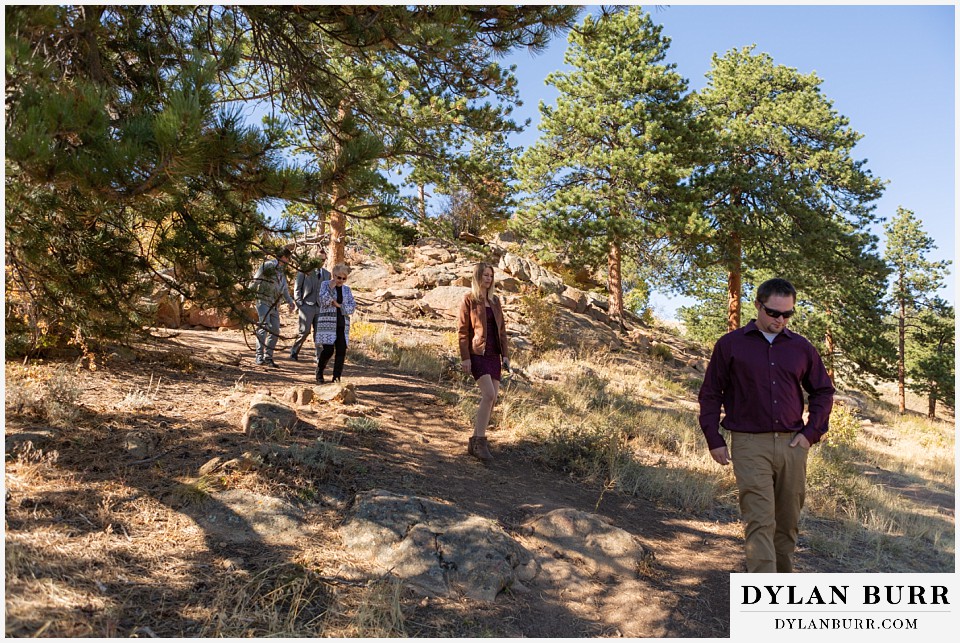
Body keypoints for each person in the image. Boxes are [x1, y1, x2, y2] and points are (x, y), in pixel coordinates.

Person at [698, 277, 834, 573]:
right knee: (760, 520)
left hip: (793, 445)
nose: (781, 320)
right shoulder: (730, 345)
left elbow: (823, 391)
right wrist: (714, 438)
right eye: (774, 313)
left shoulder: (801, 347)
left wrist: (811, 433)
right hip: (749, 444)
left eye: (788, 314)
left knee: (787, 524)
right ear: (758, 305)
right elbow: (710, 394)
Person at [457, 262, 511, 462]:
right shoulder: (469, 300)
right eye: (485, 275)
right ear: (477, 277)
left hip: (494, 355)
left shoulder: (495, 301)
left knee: (493, 398)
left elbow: (502, 331)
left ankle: (474, 442)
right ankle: (480, 441)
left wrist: (505, 355)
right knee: (488, 395)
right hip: (477, 353)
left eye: (490, 275)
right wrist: (465, 358)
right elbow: (463, 331)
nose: (488, 279)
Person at [250, 247, 295, 367]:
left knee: (275, 330)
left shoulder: (282, 271)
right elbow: (256, 280)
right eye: (288, 258)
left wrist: (290, 301)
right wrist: (249, 293)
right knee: (263, 327)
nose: (289, 261)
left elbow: (284, 289)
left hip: (275, 305)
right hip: (263, 301)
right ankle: (259, 357)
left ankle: (268, 357)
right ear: (283, 257)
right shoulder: (268, 265)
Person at [315, 263, 356, 384]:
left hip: (342, 325)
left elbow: (352, 307)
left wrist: (339, 305)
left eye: (344, 278)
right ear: (334, 275)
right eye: (339, 278)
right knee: (328, 350)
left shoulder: (347, 290)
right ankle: (319, 371)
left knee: (341, 351)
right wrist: (331, 289)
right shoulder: (325, 285)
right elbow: (323, 300)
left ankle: (336, 378)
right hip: (328, 324)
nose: (341, 281)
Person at [289, 248, 332, 362]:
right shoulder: (304, 271)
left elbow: (328, 291)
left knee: (319, 334)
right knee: (304, 331)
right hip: (306, 306)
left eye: (323, 260)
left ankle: (319, 357)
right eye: (319, 259)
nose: (321, 262)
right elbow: (297, 288)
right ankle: (294, 351)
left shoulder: (327, 274)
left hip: (320, 307)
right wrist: (299, 304)